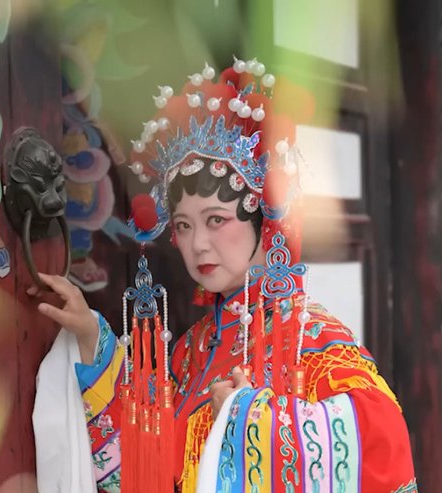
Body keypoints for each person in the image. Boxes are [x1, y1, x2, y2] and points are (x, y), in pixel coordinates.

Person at [32, 60, 418, 493]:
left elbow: (379, 445)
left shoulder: (311, 337)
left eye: (216, 220)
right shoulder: (191, 352)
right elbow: (147, 467)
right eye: (183, 225)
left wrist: (248, 417)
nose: (197, 244)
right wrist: (90, 338)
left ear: (265, 220)